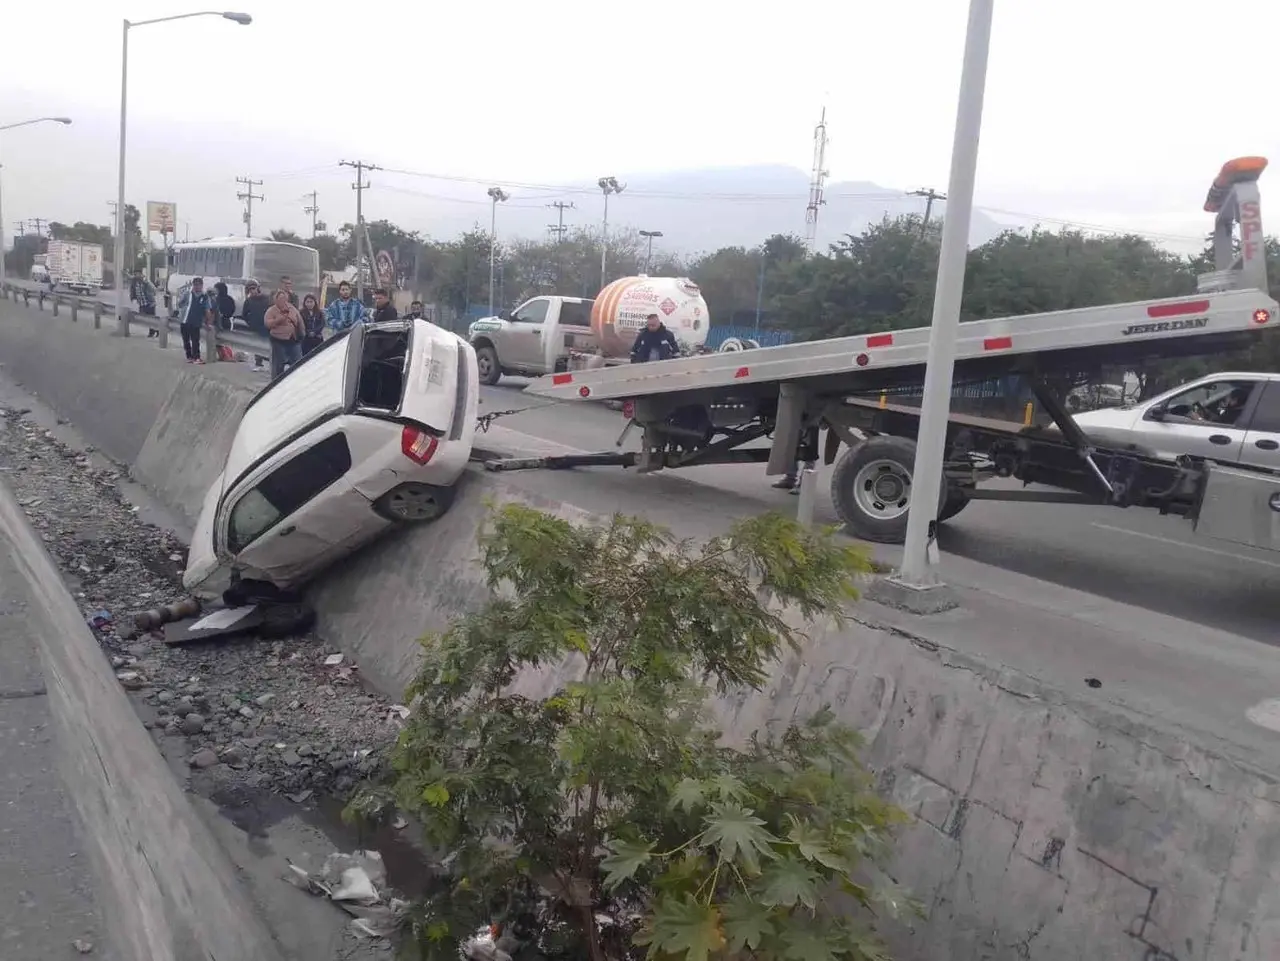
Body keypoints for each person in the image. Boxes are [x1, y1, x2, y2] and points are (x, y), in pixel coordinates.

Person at [264, 289, 304, 378]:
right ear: (276, 300)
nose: (283, 301)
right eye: (280, 299)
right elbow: (267, 324)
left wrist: (301, 333)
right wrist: (279, 319)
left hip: (293, 340)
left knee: (297, 363)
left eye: (284, 298)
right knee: (278, 366)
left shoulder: (292, 308)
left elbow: (300, 322)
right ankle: (276, 383)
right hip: (278, 341)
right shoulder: (271, 310)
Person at [176, 277, 215, 364]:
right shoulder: (187, 294)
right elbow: (180, 304)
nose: (197, 287)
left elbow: (208, 310)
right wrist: (183, 310)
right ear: (193, 285)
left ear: (202, 285)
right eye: (195, 285)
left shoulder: (204, 296)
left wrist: (208, 323)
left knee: (195, 340)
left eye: (199, 285)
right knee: (186, 340)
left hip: (196, 321)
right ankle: (189, 356)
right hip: (185, 320)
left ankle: (196, 357)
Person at [129, 268, 159, 338]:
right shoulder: (134, 282)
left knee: (151, 319)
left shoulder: (146, 282)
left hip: (149, 303)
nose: (136, 275)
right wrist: (132, 297)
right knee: (144, 319)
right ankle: (156, 330)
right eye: (135, 274)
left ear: (141, 274)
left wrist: (152, 298)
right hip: (142, 304)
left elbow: (154, 290)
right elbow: (132, 289)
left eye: (138, 274)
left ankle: (152, 332)